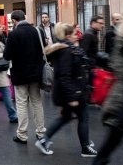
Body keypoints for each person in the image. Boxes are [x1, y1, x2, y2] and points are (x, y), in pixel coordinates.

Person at [35, 23, 97, 157]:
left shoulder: (68, 49)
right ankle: (85, 147)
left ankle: (45, 140)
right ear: (68, 36)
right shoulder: (66, 51)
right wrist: (72, 97)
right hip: (73, 92)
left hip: (72, 91)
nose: (78, 36)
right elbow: (64, 75)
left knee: (67, 117)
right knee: (83, 117)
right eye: (75, 34)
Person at [93, 6, 123, 165]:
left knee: (112, 141)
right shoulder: (122, 37)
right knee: (112, 141)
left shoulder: (120, 35)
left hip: (122, 95)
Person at [3, 10, 46, 144]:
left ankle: (22, 134)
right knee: (37, 102)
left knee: (21, 104)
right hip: (36, 73)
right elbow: (43, 49)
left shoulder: (14, 34)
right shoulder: (36, 31)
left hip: (20, 74)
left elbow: (7, 56)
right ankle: (40, 132)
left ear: (14, 21)